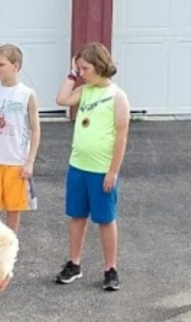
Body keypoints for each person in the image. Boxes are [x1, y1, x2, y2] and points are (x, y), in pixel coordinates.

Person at [54, 42, 130, 291]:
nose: (81, 73)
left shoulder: (117, 97)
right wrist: (72, 75)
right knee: (77, 217)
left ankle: (110, 268)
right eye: (79, 69)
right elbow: (61, 99)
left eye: (84, 68)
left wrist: (113, 171)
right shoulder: (84, 90)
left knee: (105, 219)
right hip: (78, 166)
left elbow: (121, 136)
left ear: (99, 66)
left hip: (101, 171)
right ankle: (74, 263)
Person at [0, 43, 40, 233]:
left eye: (1, 65)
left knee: (13, 208)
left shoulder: (27, 94)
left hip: (16, 161)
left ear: (16, 66)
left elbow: (35, 129)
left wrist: (30, 161)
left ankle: (9, 246)